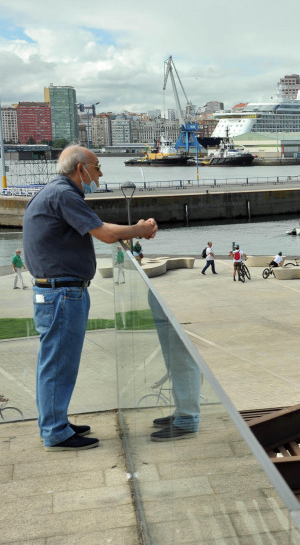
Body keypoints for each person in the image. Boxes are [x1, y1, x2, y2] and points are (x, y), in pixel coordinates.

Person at [23, 145, 157, 451]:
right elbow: (106, 234)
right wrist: (140, 229)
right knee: (58, 364)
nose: (99, 174)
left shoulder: (55, 192)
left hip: (58, 291)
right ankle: (55, 431)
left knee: (58, 363)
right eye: (97, 168)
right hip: (62, 293)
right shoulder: (64, 194)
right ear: (80, 169)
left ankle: (56, 421)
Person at [147, 292, 202, 442]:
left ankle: (188, 419)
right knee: (174, 360)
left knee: (183, 359)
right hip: (158, 292)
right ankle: (182, 412)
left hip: (175, 296)